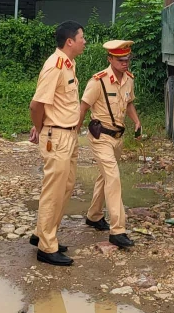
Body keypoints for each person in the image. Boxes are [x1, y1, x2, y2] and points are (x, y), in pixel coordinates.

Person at [28, 21, 86, 266]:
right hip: (57, 135)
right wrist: (41, 128)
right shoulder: (55, 66)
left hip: (68, 134)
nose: (85, 41)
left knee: (65, 187)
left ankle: (44, 233)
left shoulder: (68, 64)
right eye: (82, 37)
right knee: (53, 190)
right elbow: (36, 104)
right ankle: (46, 247)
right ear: (69, 41)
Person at [79, 40, 141, 249]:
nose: (125, 63)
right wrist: (73, 132)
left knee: (104, 177)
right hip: (100, 137)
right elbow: (83, 107)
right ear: (110, 59)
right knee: (113, 177)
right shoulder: (98, 81)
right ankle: (118, 230)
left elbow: (129, 102)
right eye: (120, 60)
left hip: (118, 138)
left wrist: (137, 121)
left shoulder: (129, 80)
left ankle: (94, 216)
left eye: (127, 59)